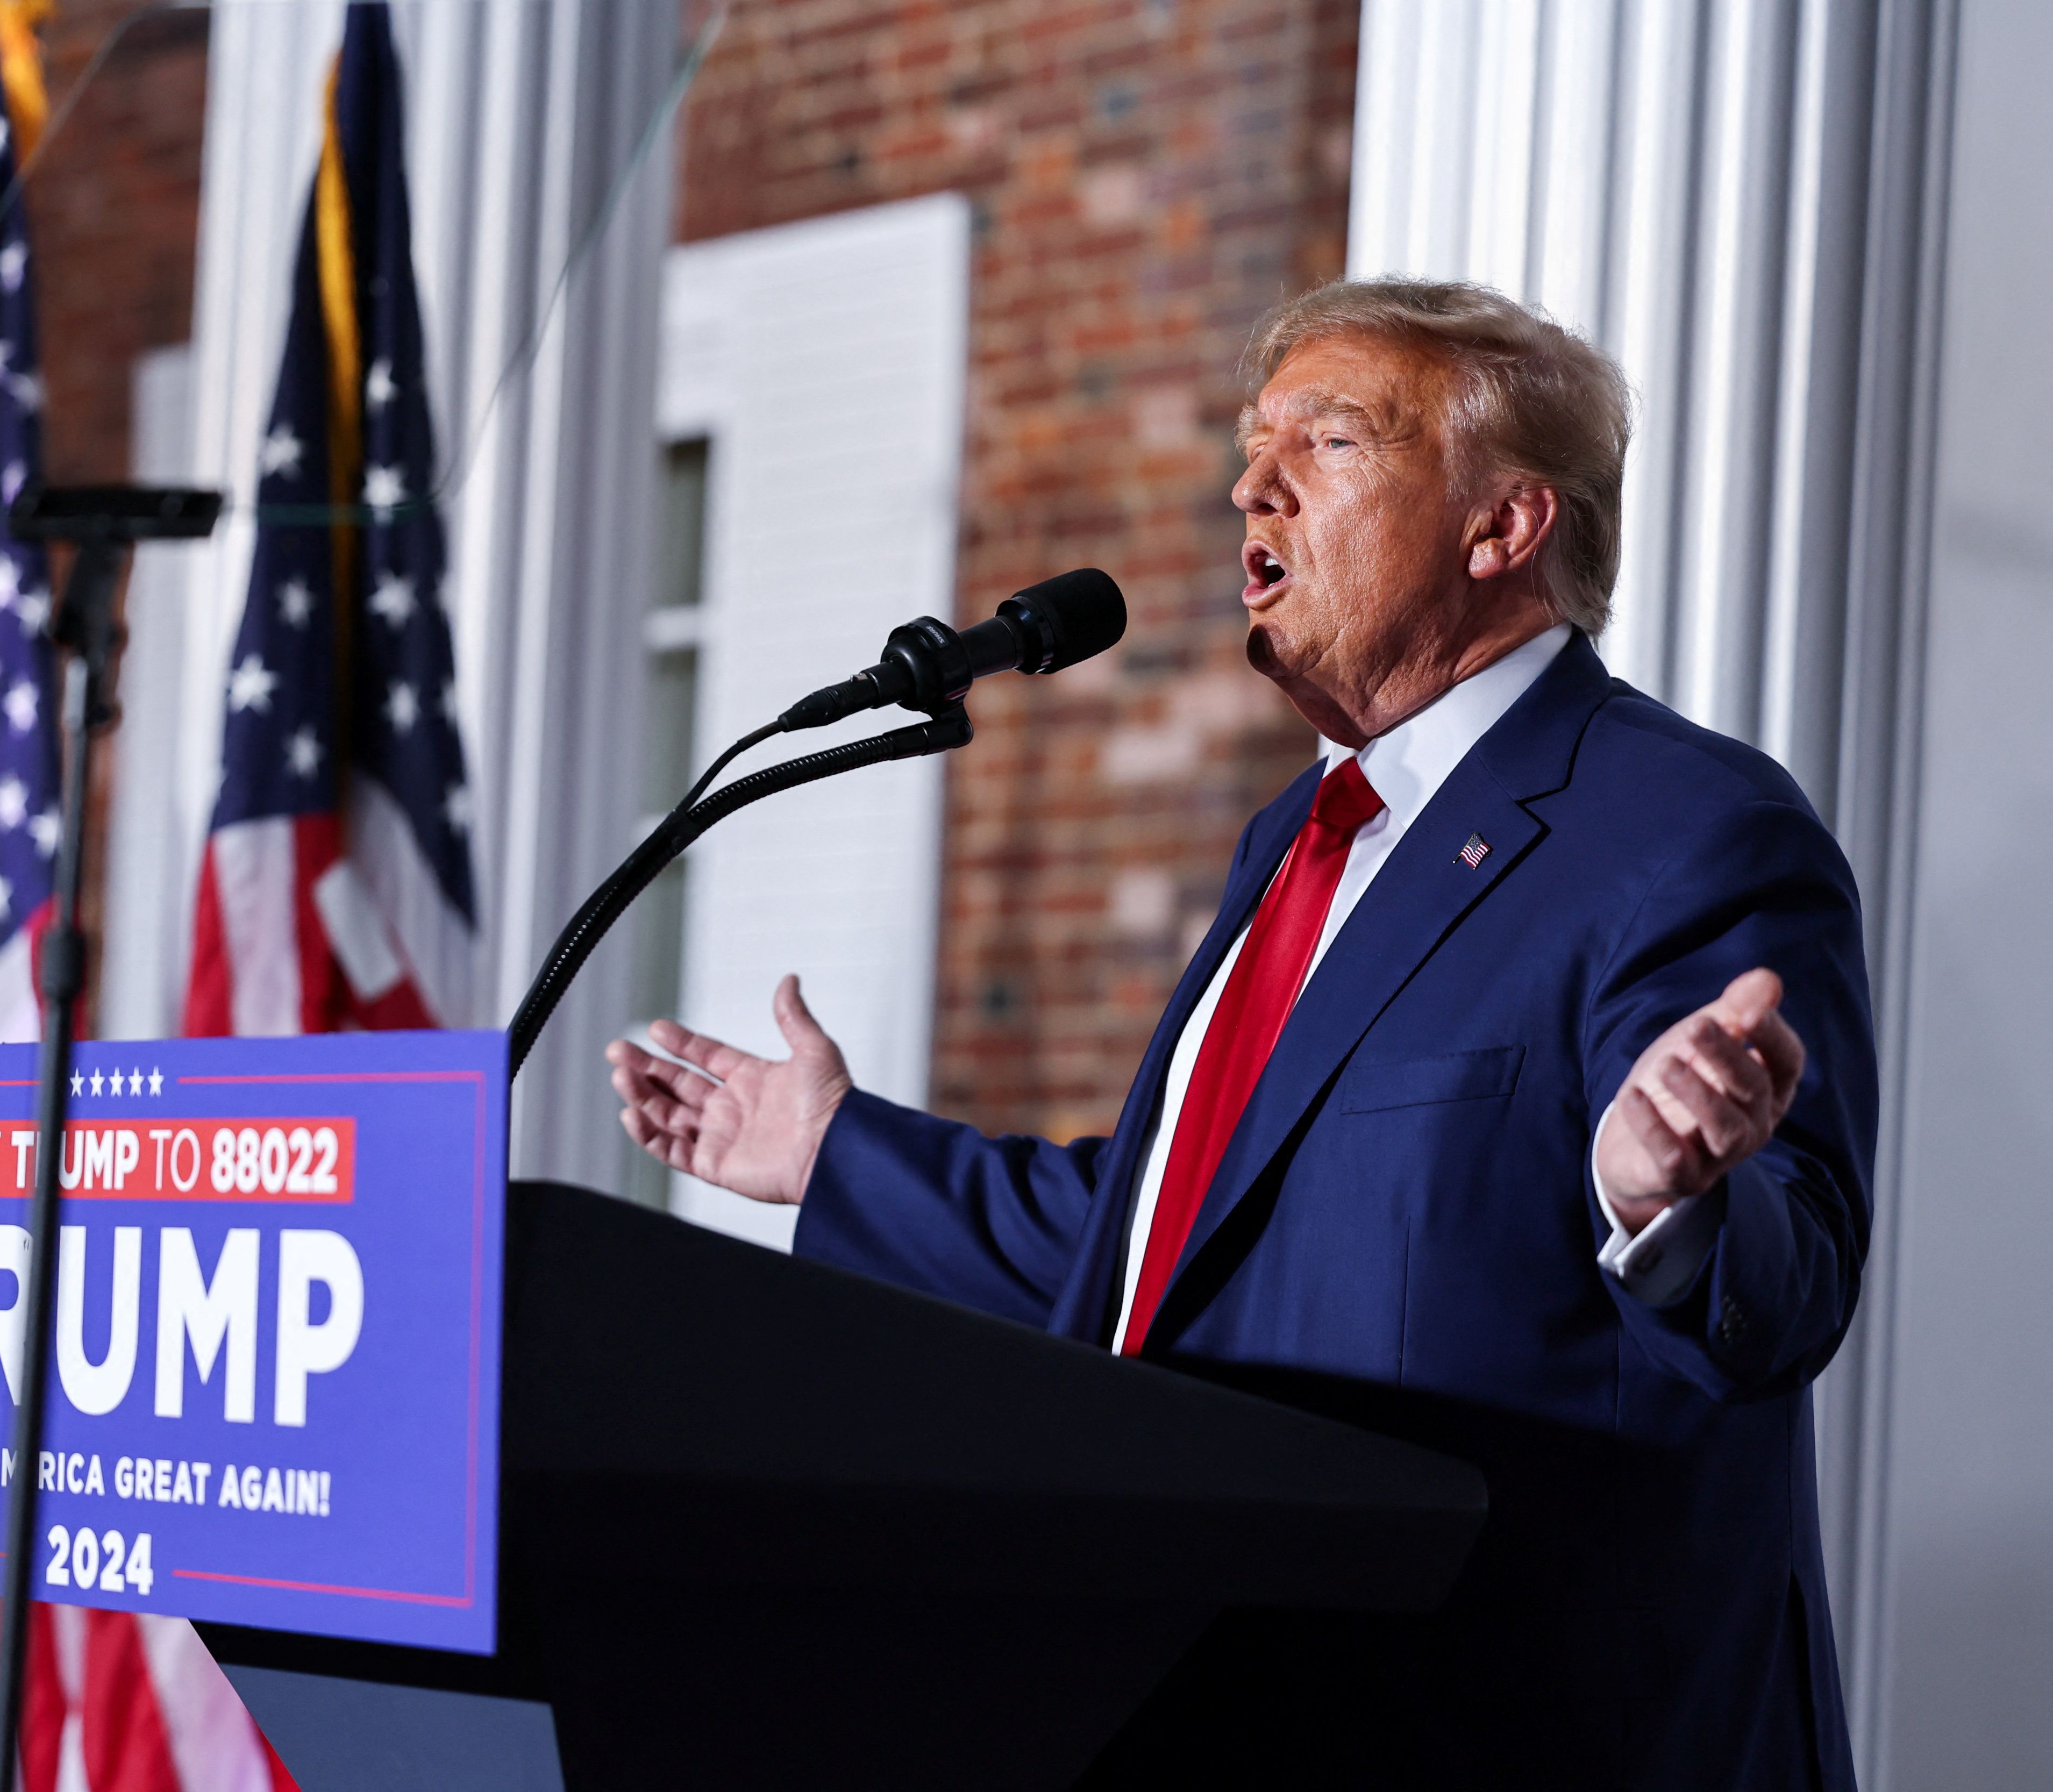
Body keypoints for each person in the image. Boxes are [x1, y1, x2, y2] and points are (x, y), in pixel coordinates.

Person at [606, 278, 1873, 1792]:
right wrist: (834, 1157)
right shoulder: (1307, 839)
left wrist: (1664, 1202)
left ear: (1503, 528)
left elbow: (1781, 1294)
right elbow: (1174, 1243)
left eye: (1327, 442)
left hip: (1513, 1736)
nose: (1246, 485)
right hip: (1219, 1701)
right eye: (1248, 443)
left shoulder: (1689, 828)